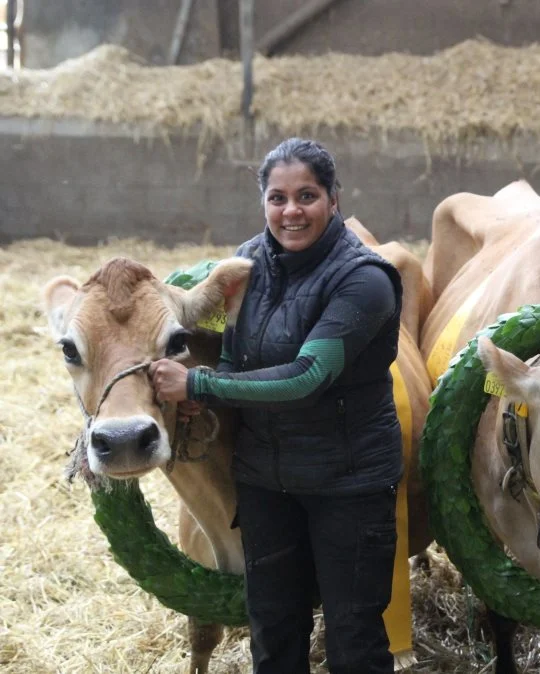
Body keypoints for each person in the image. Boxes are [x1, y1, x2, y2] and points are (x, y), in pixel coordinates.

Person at [150, 138, 405, 673]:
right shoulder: (245, 265)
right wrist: (210, 381)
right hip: (266, 482)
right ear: (263, 201)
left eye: (307, 195)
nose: (291, 211)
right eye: (277, 197)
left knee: (354, 641)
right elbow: (231, 347)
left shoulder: (365, 280)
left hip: (349, 485)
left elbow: (308, 376)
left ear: (335, 199)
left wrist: (199, 388)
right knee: (273, 633)